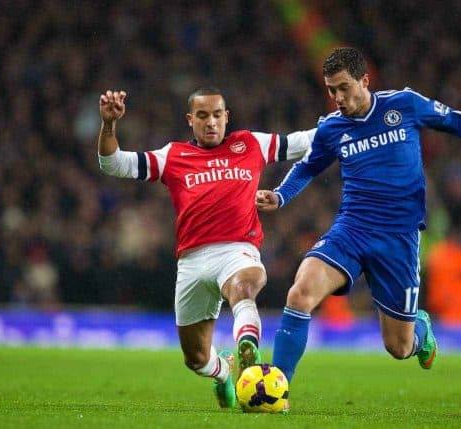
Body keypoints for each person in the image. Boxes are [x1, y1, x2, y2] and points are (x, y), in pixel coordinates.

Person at [256, 47, 461, 407]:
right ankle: (277, 388)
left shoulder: (404, 105)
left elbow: (456, 121)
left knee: (398, 347)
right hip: (352, 229)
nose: (338, 99)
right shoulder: (331, 128)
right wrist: (281, 195)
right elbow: (308, 166)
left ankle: (421, 331)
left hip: (398, 238)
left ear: (365, 80)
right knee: (300, 293)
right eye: (332, 90)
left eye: (344, 88)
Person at [98, 87, 315, 410]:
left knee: (244, 286)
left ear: (227, 117)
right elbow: (113, 164)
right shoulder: (172, 157)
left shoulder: (250, 144)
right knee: (196, 358)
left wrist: (352, 112)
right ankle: (223, 372)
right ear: (190, 120)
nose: (211, 122)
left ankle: (248, 351)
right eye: (202, 116)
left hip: (238, 250)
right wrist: (109, 124)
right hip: (192, 262)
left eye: (217, 115)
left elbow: (305, 140)